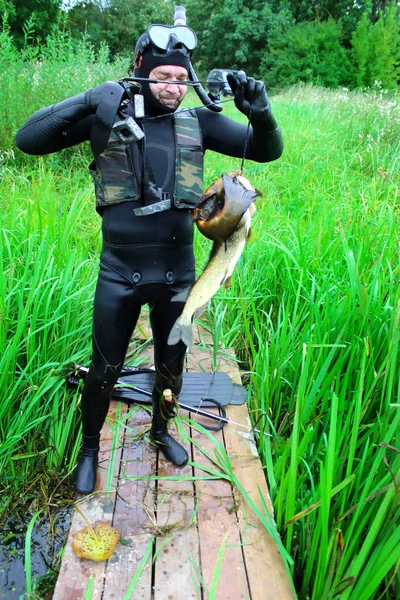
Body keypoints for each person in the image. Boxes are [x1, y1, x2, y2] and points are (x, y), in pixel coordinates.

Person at [16, 20, 284, 495]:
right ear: (139, 71)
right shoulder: (106, 113)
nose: (173, 87)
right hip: (118, 271)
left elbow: (266, 151)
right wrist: (84, 100)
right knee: (105, 370)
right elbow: (28, 139)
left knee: (171, 366)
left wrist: (261, 115)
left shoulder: (198, 122)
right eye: (163, 76)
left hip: (178, 273)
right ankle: (89, 450)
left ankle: (161, 431)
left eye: (182, 79)